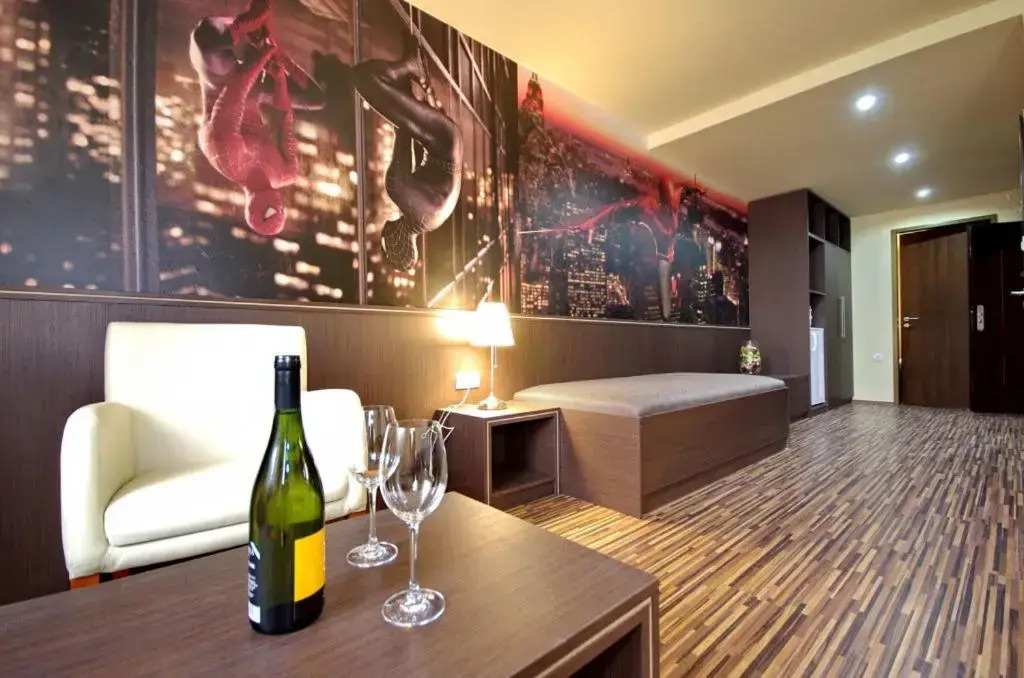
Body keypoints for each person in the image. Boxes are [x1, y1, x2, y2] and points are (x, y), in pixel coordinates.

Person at [190, 0, 325, 236]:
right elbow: (284, 119)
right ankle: (258, 34)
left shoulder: (227, 158)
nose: (276, 209)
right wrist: (279, 74)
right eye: (278, 212)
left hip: (220, 84)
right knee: (316, 99)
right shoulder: (285, 173)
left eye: (269, 213)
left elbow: (234, 92)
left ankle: (241, 26)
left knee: (205, 39)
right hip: (255, 92)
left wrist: (263, 56)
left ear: (251, 207)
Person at [522, 176, 702, 321]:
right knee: (664, 301)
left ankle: (666, 316)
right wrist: (589, 223)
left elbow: (682, 192)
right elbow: (613, 210)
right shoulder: (650, 206)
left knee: (666, 295)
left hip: (666, 256)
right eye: (667, 194)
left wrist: (694, 190)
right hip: (662, 256)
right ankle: (665, 317)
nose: (669, 197)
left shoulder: (673, 203)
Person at [353, 42, 463, 270]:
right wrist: (400, 104)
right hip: (441, 137)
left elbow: (411, 141)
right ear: (398, 243)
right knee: (365, 79)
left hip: (447, 142)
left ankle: (411, 70)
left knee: (395, 100)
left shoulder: (426, 222)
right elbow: (403, 133)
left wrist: (405, 103)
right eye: (389, 245)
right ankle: (413, 65)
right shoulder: (399, 192)